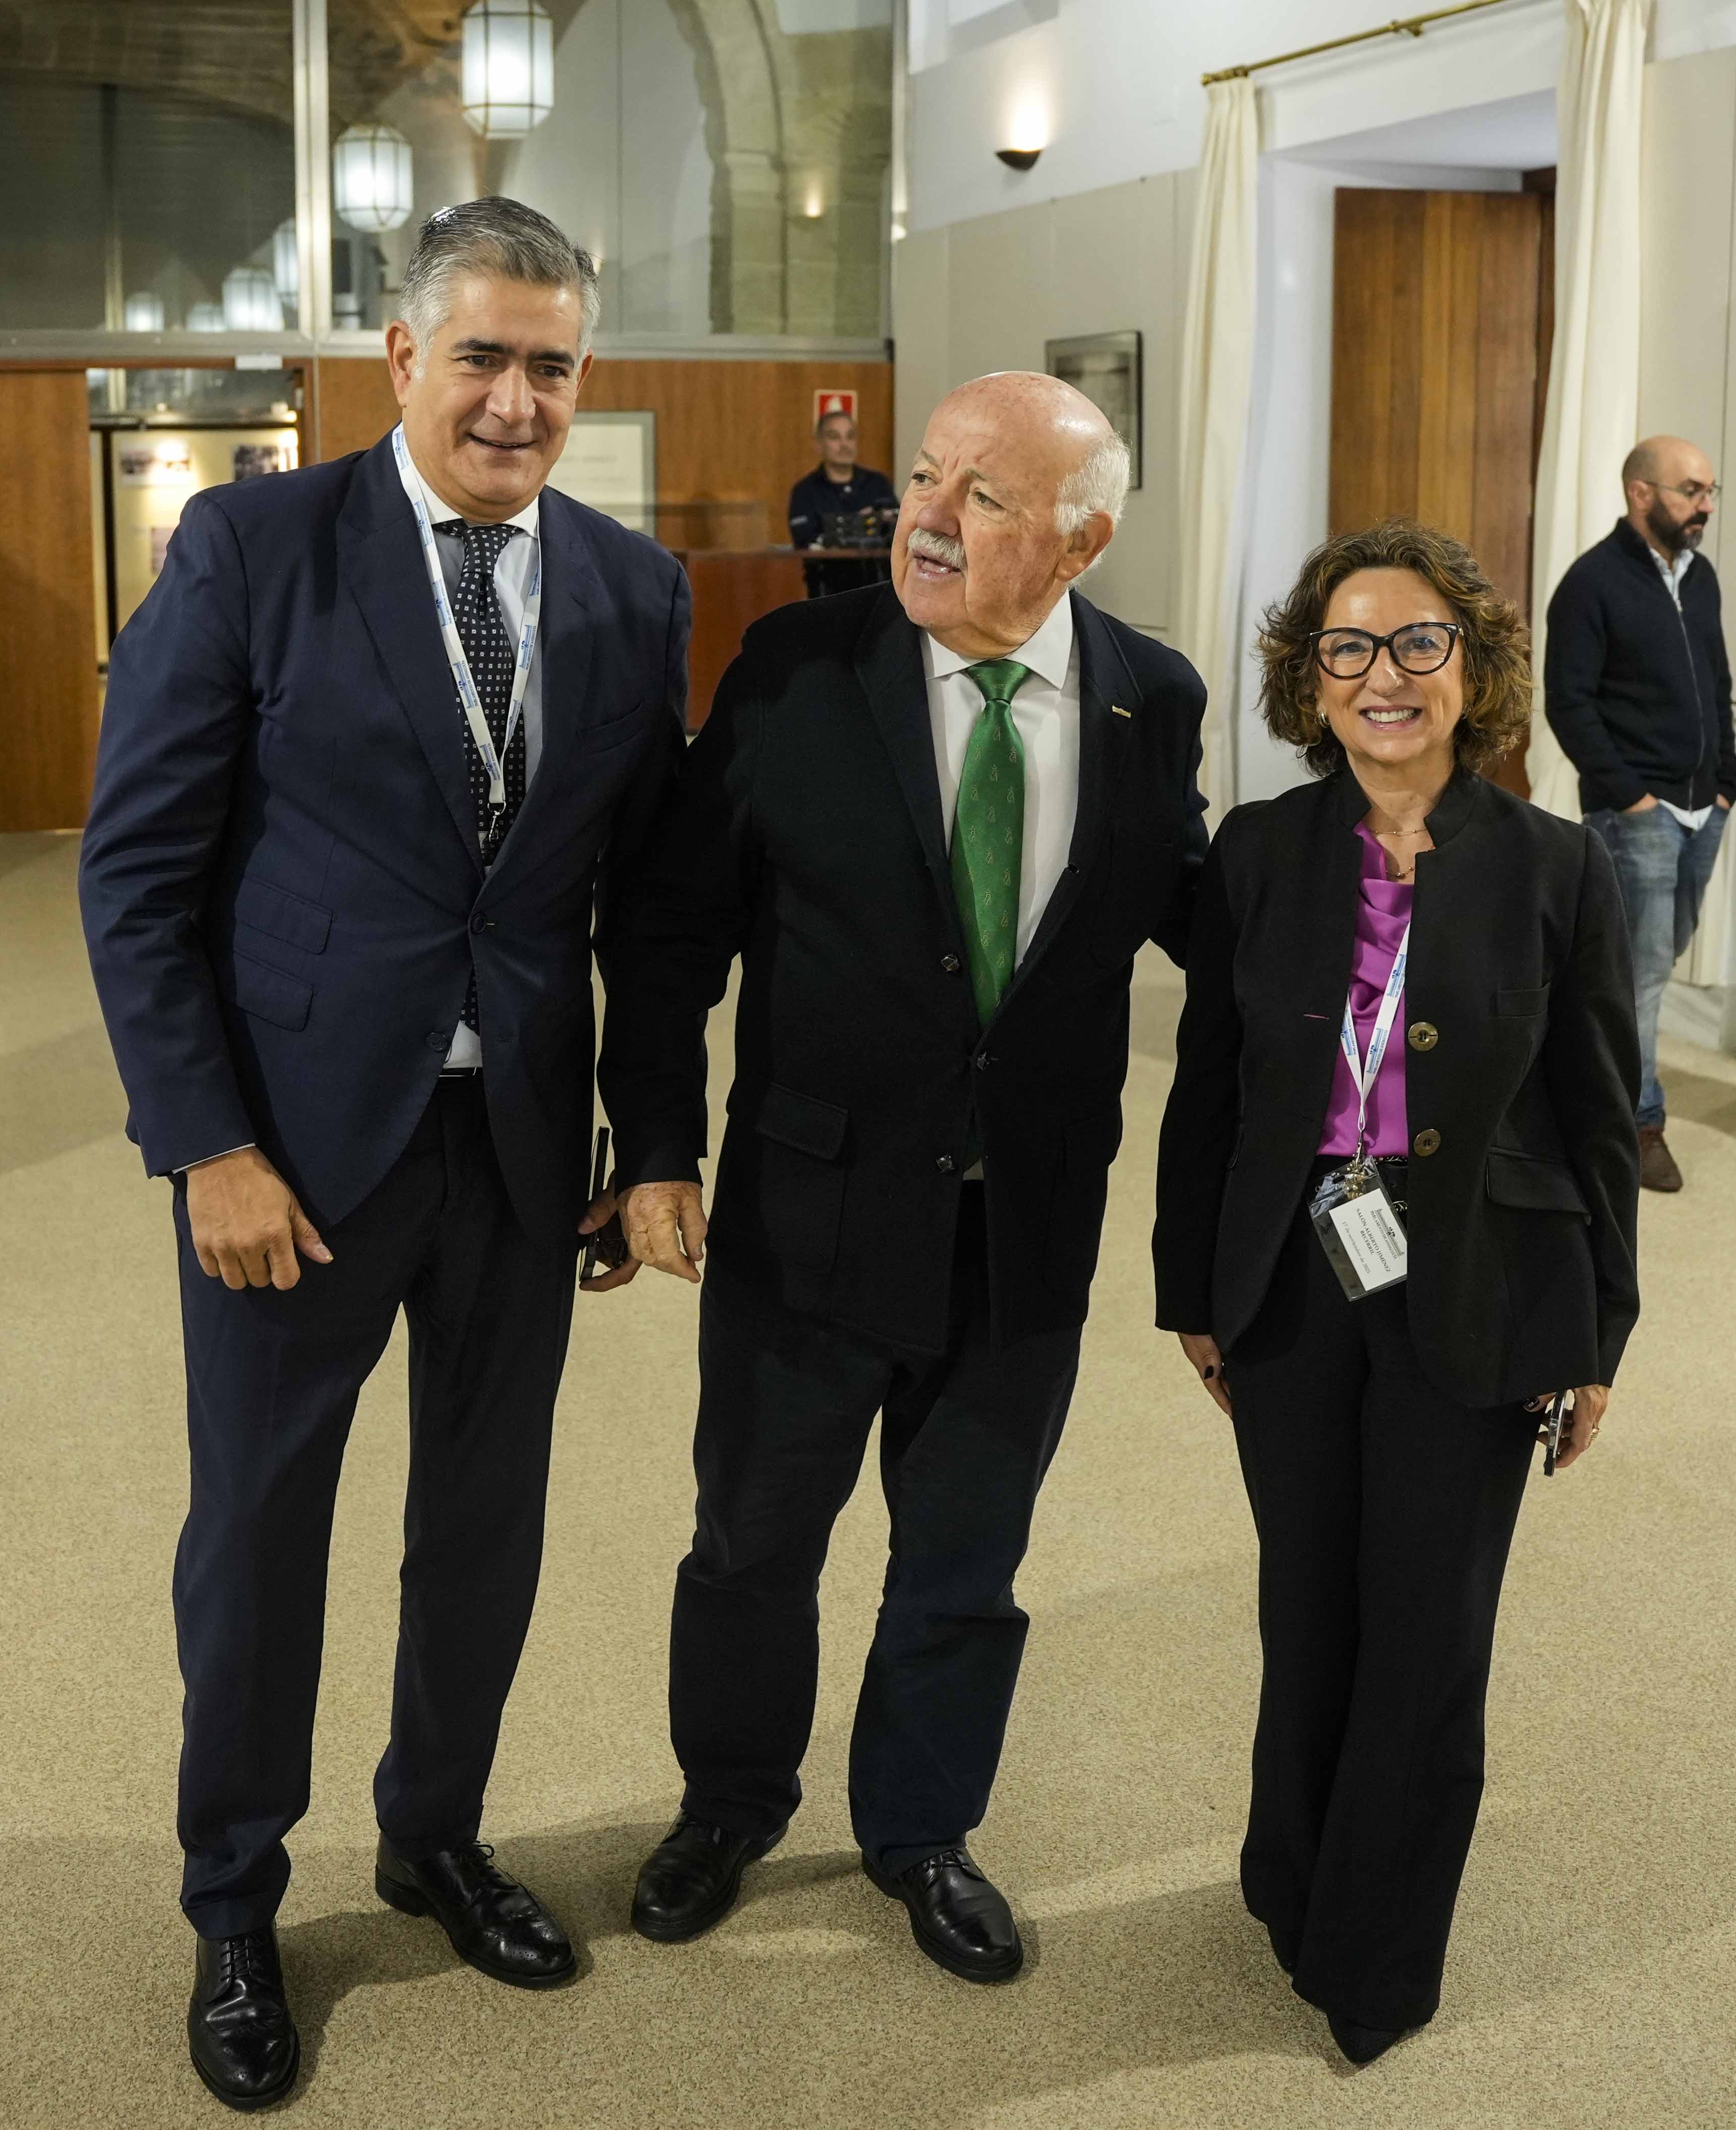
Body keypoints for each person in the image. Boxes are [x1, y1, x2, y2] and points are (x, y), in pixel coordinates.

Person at [76, 198, 690, 2113]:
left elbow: (646, 907)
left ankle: (434, 1834)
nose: (517, 400)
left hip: (516, 1143)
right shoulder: (254, 547)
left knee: (482, 1524)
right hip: (295, 1159)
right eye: (483, 357)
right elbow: (137, 874)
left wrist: (649, 1140)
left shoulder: (627, 585)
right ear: (399, 359)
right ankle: (236, 1896)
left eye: (553, 366)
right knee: (262, 1535)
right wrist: (208, 1147)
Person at [597, 372, 1208, 1984]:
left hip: (1023, 1237)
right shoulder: (802, 667)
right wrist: (657, 1146)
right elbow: (671, 931)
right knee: (750, 1547)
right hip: (809, 1216)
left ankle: (921, 1829)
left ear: (1076, 542)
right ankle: (728, 1802)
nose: (921, 517)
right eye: (926, 477)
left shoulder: (1155, 699)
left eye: (979, 497)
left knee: (965, 1565)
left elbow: (1206, 922)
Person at [1153, 520, 1638, 2068]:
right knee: (1311, 1605)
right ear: (1311, 679)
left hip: (1485, 1292)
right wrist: (1193, 1289)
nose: (1384, 678)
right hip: (1292, 1280)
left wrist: (1600, 1334)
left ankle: (1377, 1950)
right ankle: (1289, 1871)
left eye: (1419, 644)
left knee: (1429, 1631)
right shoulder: (1257, 853)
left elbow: (1595, 1112)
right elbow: (1210, 1095)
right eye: (1349, 649)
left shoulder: (1556, 864)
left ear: (1475, 667)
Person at [1541, 434, 1736, 1193]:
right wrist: (1629, 795)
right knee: (1641, 975)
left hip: (1701, 807)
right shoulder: (1589, 583)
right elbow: (1568, 703)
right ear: (1641, 493)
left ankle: (1589, 1097)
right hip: (1636, 814)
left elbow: (1716, 683)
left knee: (1648, 963)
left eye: (1709, 491)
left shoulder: (1701, 577)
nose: (1705, 506)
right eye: (1691, 490)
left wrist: (1727, 780)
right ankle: (1637, 1125)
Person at [786, 407, 896, 598]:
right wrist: (856, 523)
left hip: (878, 589)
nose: (844, 444)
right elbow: (805, 542)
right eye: (835, 437)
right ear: (819, 445)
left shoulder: (878, 483)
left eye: (850, 436)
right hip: (828, 592)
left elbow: (899, 527)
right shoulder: (805, 491)